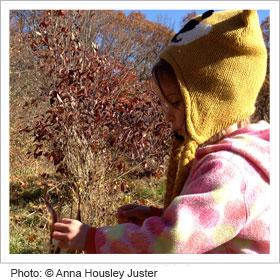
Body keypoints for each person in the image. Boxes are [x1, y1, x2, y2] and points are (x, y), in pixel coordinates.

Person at [52, 9, 270, 253]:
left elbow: (173, 240)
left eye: (176, 102)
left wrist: (92, 238)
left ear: (217, 102)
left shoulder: (230, 171)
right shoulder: (249, 155)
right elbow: (208, 223)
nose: (167, 114)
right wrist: (154, 217)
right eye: (164, 103)